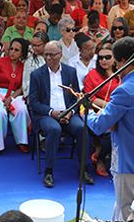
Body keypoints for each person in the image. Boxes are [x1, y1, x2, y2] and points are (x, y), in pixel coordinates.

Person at [87, 37, 134, 221]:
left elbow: (98, 126)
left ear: (121, 61)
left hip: (128, 159)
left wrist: (85, 111)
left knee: (126, 208)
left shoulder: (124, 90)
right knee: (123, 203)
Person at [28, 41, 94, 188]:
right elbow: (33, 102)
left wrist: (70, 112)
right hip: (47, 114)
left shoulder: (70, 72)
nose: (48, 58)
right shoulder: (37, 75)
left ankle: (84, 169)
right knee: (54, 129)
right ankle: (49, 171)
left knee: (81, 128)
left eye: (52, 55)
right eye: (46, 55)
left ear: (60, 55)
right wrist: (52, 112)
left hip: (68, 112)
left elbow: (76, 96)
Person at [0, 38, 30, 153]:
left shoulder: (24, 67)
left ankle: (22, 141)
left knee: (22, 109)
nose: (12, 52)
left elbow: (22, 87)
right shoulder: (0, 61)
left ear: (22, 53)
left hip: (15, 94)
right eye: (11, 49)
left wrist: (11, 98)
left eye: (16, 50)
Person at [83, 43, 119, 178]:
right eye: (101, 58)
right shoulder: (92, 75)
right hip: (98, 110)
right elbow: (89, 97)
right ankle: (100, 158)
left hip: (119, 111)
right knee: (110, 129)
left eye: (108, 57)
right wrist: (108, 105)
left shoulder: (120, 74)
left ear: (114, 58)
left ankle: (100, 153)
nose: (103, 60)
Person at [22, 31, 48, 99]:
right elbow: (26, 83)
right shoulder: (29, 61)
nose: (35, 48)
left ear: (46, 44)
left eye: (38, 45)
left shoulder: (54, 58)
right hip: (35, 96)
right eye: (33, 45)